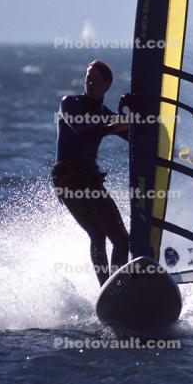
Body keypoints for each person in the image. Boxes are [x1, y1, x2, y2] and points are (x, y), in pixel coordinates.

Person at [52, 59, 130, 286]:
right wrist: (114, 126)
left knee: (122, 240)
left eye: (96, 79)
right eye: (88, 78)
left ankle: (118, 287)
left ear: (107, 85)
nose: (91, 82)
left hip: (91, 179)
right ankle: (105, 288)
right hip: (68, 178)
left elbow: (133, 137)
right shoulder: (70, 103)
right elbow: (83, 132)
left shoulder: (105, 113)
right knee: (97, 234)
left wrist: (138, 116)